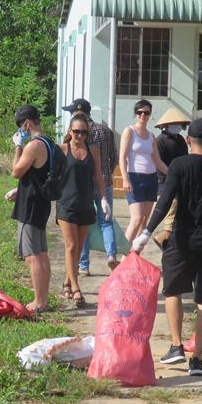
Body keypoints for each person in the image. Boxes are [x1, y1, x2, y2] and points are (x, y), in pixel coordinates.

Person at [131, 118, 202, 376]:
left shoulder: (179, 165)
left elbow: (165, 199)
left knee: (173, 291)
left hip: (181, 241)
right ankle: (198, 361)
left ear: (189, 140)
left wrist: (146, 233)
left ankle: (176, 346)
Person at [57, 114, 110, 307]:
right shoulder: (62, 150)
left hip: (86, 204)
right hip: (66, 204)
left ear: (88, 133)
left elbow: (99, 176)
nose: (79, 135)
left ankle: (67, 281)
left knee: (79, 248)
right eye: (76, 131)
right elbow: (49, 174)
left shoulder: (93, 150)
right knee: (71, 246)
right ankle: (77, 288)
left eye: (83, 132)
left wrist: (104, 198)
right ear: (70, 131)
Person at [63, 98, 120, 276]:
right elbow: (114, 157)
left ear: (78, 113)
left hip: (84, 186)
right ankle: (111, 255)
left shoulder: (76, 132)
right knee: (106, 222)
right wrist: (107, 173)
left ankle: (84, 265)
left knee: (83, 224)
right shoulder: (105, 131)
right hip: (105, 182)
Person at [9, 105, 52, 314]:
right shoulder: (49, 142)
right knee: (42, 254)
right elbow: (37, 176)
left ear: (26, 123)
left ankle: (39, 302)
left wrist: (18, 145)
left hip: (31, 206)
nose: (20, 130)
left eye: (20, 126)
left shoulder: (34, 145)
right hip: (41, 202)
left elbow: (16, 171)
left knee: (32, 256)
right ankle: (43, 299)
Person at [119, 99, 169, 245]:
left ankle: (135, 258)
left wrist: (173, 173)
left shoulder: (152, 136)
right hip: (134, 177)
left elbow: (158, 162)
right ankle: (122, 260)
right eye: (140, 112)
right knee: (136, 219)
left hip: (151, 179)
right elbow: (122, 156)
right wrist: (125, 179)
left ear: (149, 114)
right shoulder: (129, 131)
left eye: (146, 113)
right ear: (136, 113)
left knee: (144, 223)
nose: (142, 115)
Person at [152, 107, 191, 249]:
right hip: (165, 181)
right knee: (171, 210)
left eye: (179, 124)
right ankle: (162, 238)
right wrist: (170, 176)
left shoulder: (181, 140)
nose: (177, 126)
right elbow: (158, 163)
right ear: (165, 125)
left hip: (181, 181)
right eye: (174, 123)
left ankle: (169, 241)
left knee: (177, 214)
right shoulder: (160, 141)